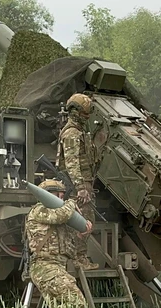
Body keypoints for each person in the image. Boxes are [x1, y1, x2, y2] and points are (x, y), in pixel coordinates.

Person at [25, 179, 93, 308]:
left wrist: (80, 235)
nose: (62, 200)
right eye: (59, 196)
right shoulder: (39, 210)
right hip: (45, 267)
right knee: (77, 303)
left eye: (63, 196)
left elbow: (68, 249)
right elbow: (61, 214)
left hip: (57, 267)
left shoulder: (58, 220)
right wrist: (71, 203)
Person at [56, 93, 99, 270]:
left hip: (83, 183)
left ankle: (80, 257)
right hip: (77, 186)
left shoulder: (79, 131)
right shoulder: (72, 133)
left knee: (86, 221)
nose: (87, 117)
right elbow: (72, 163)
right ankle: (78, 259)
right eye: (85, 114)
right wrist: (81, 187)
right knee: (82, 222)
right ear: (76, 112)